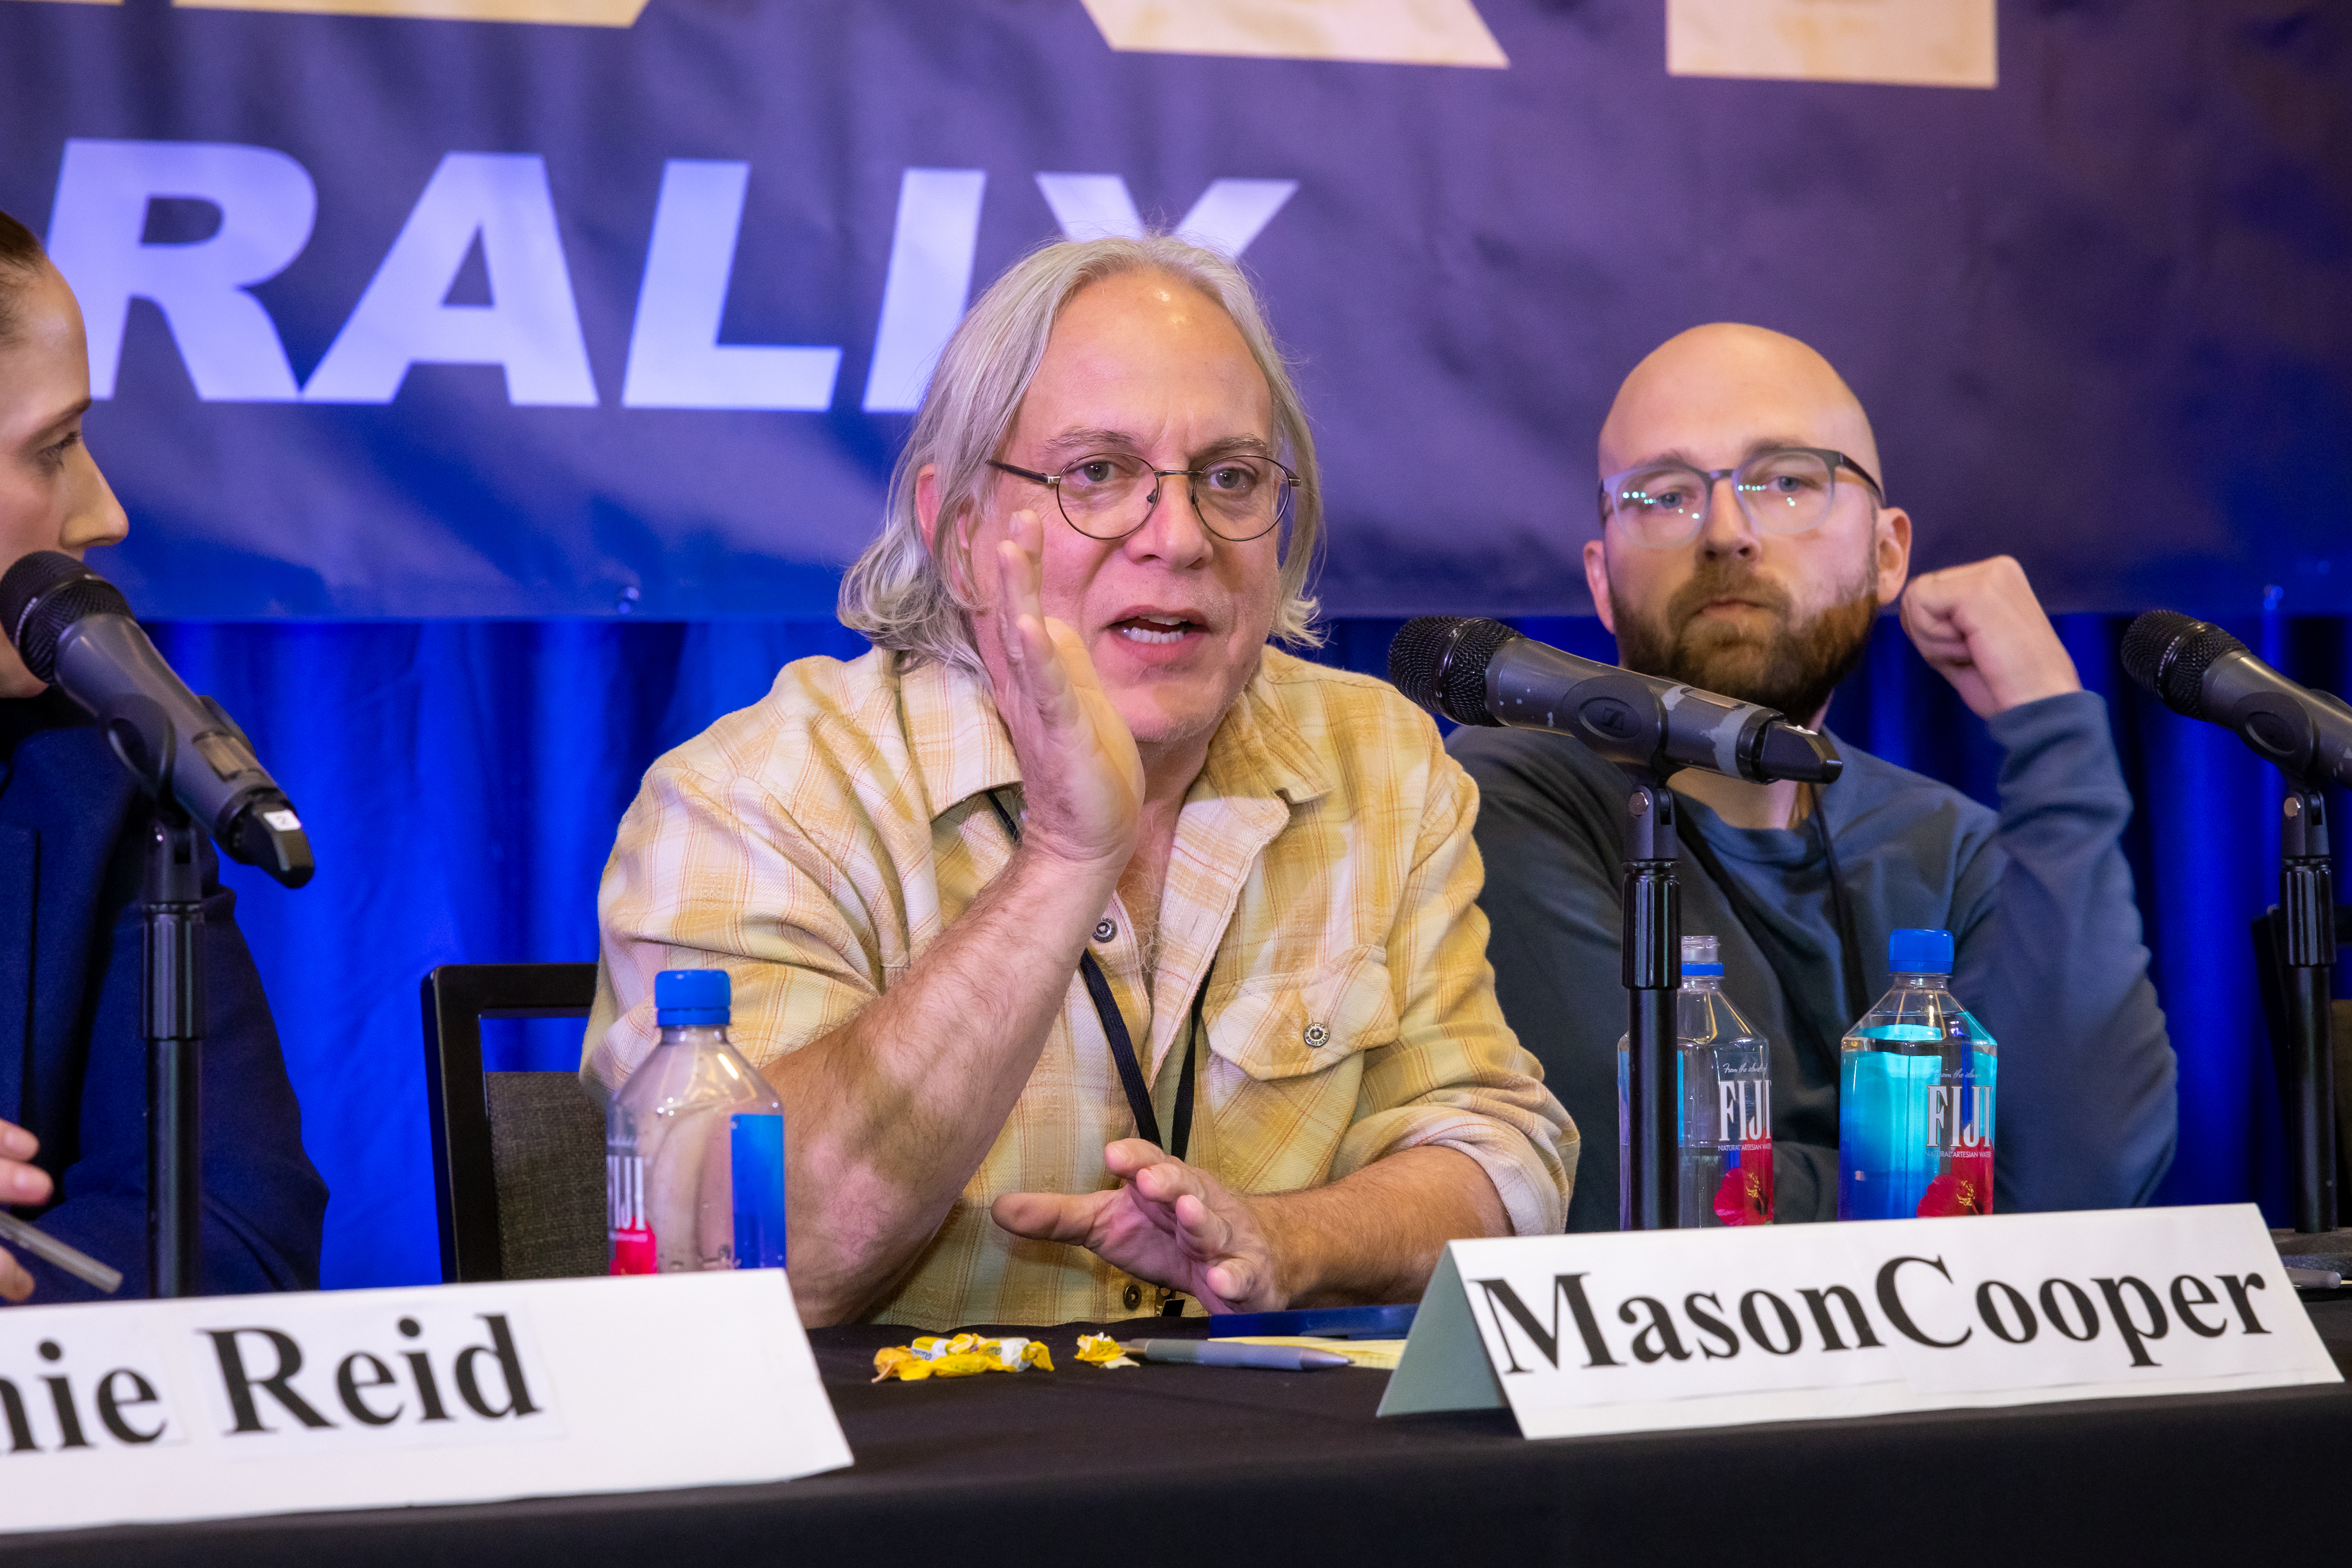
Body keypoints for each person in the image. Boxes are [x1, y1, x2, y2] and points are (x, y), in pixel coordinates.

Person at [584, 235, 1574, 1327]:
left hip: (1273, 1472)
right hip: (899, 1481)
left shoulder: (1378, 761)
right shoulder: (756, 795)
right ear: (958, 531)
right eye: (1098, 473)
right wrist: (1063, 856)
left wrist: (1284, 1238)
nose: (1180, 536)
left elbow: (1499, 1158)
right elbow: (760, 1261)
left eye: (1230, 477)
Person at [1452, 323, 2175, 1230]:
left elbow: (2083, 1186)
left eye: (1786, 480)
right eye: (1663, 495)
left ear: (1886, 553)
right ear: (1600, 581)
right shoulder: (1500, 801)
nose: (1724, 532)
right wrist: (1960, 1189)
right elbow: (1632, 1187)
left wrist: (2050, 722)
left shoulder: (1945, 847)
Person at [0, 208, 326, 1300]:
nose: (107, 511)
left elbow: (238, 1220)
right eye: (53, 447)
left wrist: (21, 1276)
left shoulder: (95, 768)